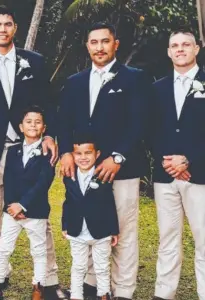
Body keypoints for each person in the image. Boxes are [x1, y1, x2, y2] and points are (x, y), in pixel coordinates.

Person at [0, 6, 64, 299]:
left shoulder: (35, 62)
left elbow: (49, 102)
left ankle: (47, 279)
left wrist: (51, 135)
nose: (3, 29)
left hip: (29, 151)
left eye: (8, 23)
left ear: (15, 28)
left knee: (37, 215)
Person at [57, 22, 150, 300]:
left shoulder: (135, 78)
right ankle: (91, 284)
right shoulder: (75, 82)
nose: (99, 47)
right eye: (94, 42)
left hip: (121, 169)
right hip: (84, 169)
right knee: (87, 225)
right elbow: (64, 121)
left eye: (105, 41)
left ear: (116, 44)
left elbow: (140, 123)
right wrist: (65, 153)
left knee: (121, 231)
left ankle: (122, 290)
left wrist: (118, 157)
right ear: (87, 46)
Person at [149, 30, 205, 300]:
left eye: (186, 44)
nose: (180, 49)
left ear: (197, 49)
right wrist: (168, 159)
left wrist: (190, 159)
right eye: (174, 45)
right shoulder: (157, 88)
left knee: (204, 239)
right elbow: (150, 129)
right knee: (168, 238)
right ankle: (164, 293)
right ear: (168, 51)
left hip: (200, 175)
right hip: (166, 175)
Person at [0, 105, 55, 300]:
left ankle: (38, 287)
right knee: (4, 248)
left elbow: (43, 182)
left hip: (35, 211)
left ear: (44, 127)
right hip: (11, 212)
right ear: (21, 127)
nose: (33, 125)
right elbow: (9, 180)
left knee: (38, 251)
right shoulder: (13, 151)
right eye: (29, 122)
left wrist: (23, 205)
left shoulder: (48, 152)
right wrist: (12, 206)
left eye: (37, 122)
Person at [62, 133, 119, 300]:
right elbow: (67, 202)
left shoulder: (103, 176)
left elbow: (110, 203)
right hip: (77, 230)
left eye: (88, 153)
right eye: (78, 153)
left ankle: (103, 295)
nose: (83, 157)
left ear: (97, 154)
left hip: (101, 230)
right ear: (73, 155)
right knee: (78, 266)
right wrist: (65, 224)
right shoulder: (69, 176)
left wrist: (113, 230)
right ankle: (76, 296)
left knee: (102, 267)